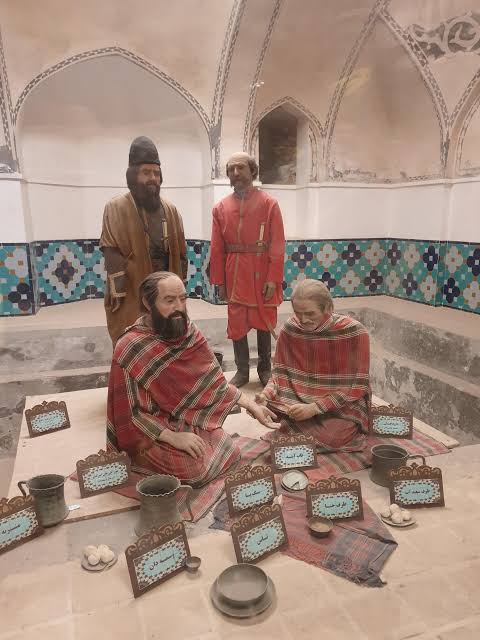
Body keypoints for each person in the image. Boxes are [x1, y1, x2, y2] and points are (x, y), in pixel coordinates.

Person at [106, 271, 275, 487]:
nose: (179, 307)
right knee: (194, 471)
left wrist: (251, 404)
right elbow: (131, 414)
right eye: (169, 301)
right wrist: (173, 437)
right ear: (148, 303)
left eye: (183, 299)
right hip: (150, 432)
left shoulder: (188, 331)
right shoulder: (130, 347)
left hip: (183, 418)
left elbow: (212, 383)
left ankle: (198, 448)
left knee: (230, 449)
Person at [257, 279, 370, 451]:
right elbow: (279, 375)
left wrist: (315, 407)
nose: (303, 319)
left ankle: (293, 429)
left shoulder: (354, 332)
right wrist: (264, 396)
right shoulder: (290, 329)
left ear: (328, 308)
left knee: (333, 436)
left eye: (310, 313)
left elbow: (358, 385)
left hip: (339, 404)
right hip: (296, 401)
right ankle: (298, 427)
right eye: (298, 313)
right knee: (267, 410)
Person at [100, 136, 188, 343]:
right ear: (133, 175)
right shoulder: (116, 207)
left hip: (166, 285)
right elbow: (111, 251)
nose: (152, 178)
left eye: (156, 173)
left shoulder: (171, 210)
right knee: (133, 337)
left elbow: (181, 254)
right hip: (133, 287)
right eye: (146, 172)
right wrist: (118, 293)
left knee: (168, 333)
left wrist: (180, 287)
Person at [209, 152, 285, 388]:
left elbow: (278, 244)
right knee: (237, 322)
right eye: (231, 169)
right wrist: (219, 282)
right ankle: (242, 371)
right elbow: (217, 248)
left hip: (262, 270)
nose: (236, 173)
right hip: (234, 273)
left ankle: (265, 369)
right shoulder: (220, 208)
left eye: (241, 168)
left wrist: (273, 278)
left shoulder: (269, 204)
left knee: (264, 320)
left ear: (253, 171)